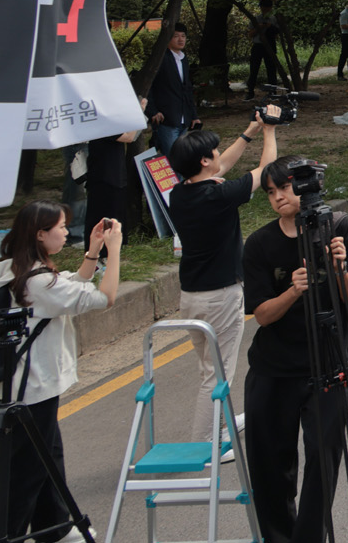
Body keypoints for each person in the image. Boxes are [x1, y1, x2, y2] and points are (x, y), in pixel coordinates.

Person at [0, 202, 120, 541]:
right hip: (34, 386)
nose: (64, 231)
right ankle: (2, 535)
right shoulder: (39, 282)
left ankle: (54, 526)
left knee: (48, 453)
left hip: (14, 383)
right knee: (25, 470)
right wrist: (113, 252)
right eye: (60, 226)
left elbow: (66, 288)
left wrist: (92, 252)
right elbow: (103, 298)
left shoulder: (5, 270)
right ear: (40, 234)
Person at [242, 159, 348, 543]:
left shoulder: (340, 228)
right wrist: (292, 291)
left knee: (324, 459)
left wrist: (339, 268)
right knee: (269, 465)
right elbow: (261, 315)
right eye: (270, 191)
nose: (278, 197)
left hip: (330, 362)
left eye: (285, 188)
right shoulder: (259, 243)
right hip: (274, 367)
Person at [168, 105, 280, 443]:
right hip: (221, 296)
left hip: (191, 296)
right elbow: (265, 171)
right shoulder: (218, 195)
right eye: (213, 152)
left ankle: (220, 420)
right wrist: (271, 130)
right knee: (217, 375)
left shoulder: (181, 193)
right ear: (204, 161)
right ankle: (208, 443)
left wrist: (250, 132)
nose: (219, 155)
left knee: (208, 368)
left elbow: (224, 164)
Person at [146, 24, 199, 156]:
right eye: (176, 36)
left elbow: (187, 89)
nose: (180, 39)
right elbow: (149, 86)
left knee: (182, 157)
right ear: (168, 38)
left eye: (183, 36)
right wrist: (153, 111)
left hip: (183, 117)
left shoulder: (183, 59)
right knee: (172, 158)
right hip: (167, 117)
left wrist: (193, 115)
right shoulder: (160, 59)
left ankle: (181, 178)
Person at [249, 0, 285, 94]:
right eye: (263, 7)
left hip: (270, 45)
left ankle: (273, 91)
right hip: (258, 46)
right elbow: (250, 34)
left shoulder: (273, 19)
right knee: (254, 69)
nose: (264, 10)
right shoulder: (256, 19)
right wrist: (259, 27)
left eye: (267, 8)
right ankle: (250, 91)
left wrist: (270, 27)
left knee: (271, 69)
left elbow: (277, 33)